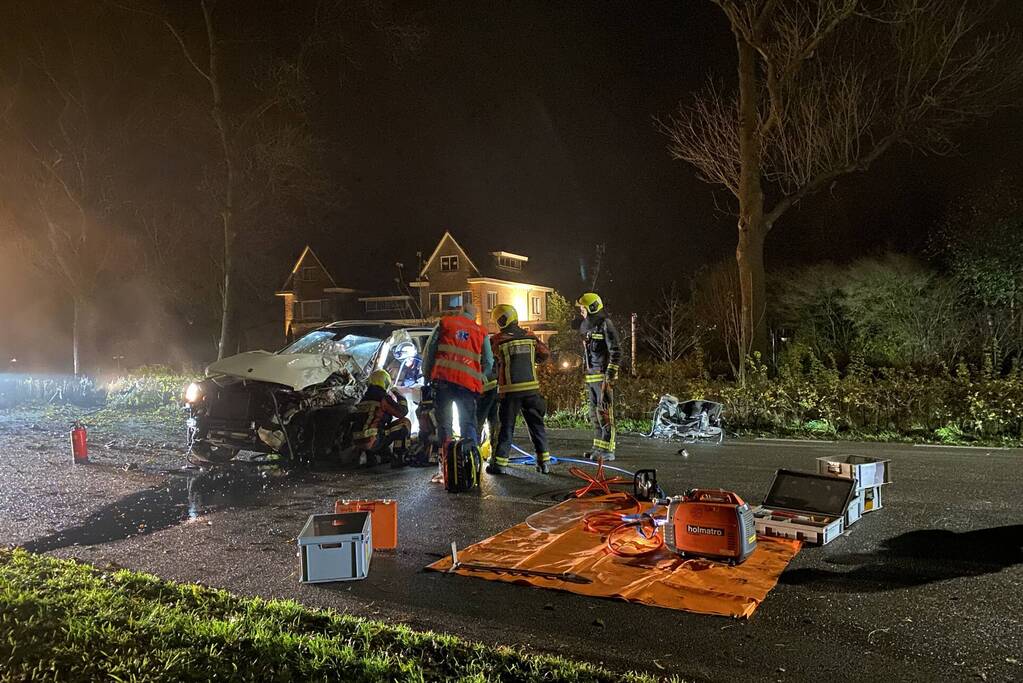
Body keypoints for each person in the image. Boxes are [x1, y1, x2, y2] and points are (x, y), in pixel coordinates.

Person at [487, 303, 551, 475]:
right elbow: (545, 354)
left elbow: (488, 360)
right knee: (536, 425)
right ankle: (544, 462)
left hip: (510, 391)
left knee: (506, 428)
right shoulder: (530, 336)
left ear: (501, 321)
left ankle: (500, 464)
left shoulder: (497, 340)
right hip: (531, 389)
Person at [421, 302, 492, 447]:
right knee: (468, 422)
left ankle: (447, 457)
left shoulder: (445, 323)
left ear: (461, 311)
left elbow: (430, 351)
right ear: (474, 316)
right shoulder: (481, 331)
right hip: (467, 384)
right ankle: (469, 458)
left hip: (443, 381)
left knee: (445, 422)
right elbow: (489, 361)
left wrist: (427, 375)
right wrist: (481, 377)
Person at [576, 292, 621, 461]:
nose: (581, 311)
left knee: (605, 414)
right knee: (594, 415)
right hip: (591, 378)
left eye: (583, 308)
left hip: (603, 378)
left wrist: (609, 378)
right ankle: (598, 448)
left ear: (592, 307)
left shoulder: (605, 324)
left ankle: (608, 450)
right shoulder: (589, 327)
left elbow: (616, 352)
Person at [351, 369, 412, 468]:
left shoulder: (363, 399)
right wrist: (400, 395)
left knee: (376, 427)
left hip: (358, 442)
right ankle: (399, 457)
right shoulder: (383, 397)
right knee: (405, 423)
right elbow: (402, 412)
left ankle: (373, 457)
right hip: (373, 440)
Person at [476, 335, 499, 454]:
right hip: (495, 390)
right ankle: (495, 454)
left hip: (483, 392)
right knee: (494, 421)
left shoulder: (476, 354)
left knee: (477, 423)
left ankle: (474, 454)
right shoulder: (493, 355)